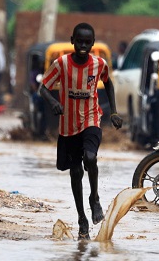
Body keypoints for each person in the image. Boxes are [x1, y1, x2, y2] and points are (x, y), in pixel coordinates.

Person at [39, 23, 123, 240]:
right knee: (75, 172)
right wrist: (53, 102)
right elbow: (43, 88)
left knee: (91, 157)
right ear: (72, 41)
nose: (83, 45)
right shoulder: (61, 64)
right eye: (80, 41)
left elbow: (109, 84)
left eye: (88, 42)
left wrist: (113, 112)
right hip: (68, 125)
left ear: (92, 43)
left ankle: (94, 198)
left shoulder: (99, 64)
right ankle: (81, 219)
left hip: (92, 118)